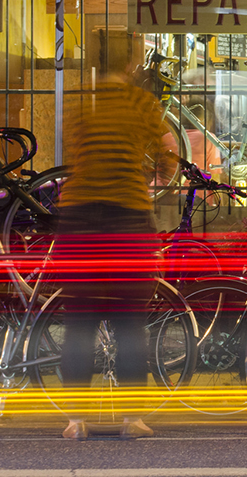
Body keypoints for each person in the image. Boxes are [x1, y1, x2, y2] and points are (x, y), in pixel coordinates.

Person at [57, 65, 171, 440]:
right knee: (129, 323)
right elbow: (167, 151)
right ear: (130, 69)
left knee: (79, 324)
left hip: (79, 218)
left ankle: (76, 421)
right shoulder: (141, 102)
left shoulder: (82, 104)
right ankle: (131, 420)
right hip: (127, 217)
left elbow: (75, 155)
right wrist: (155, 176)